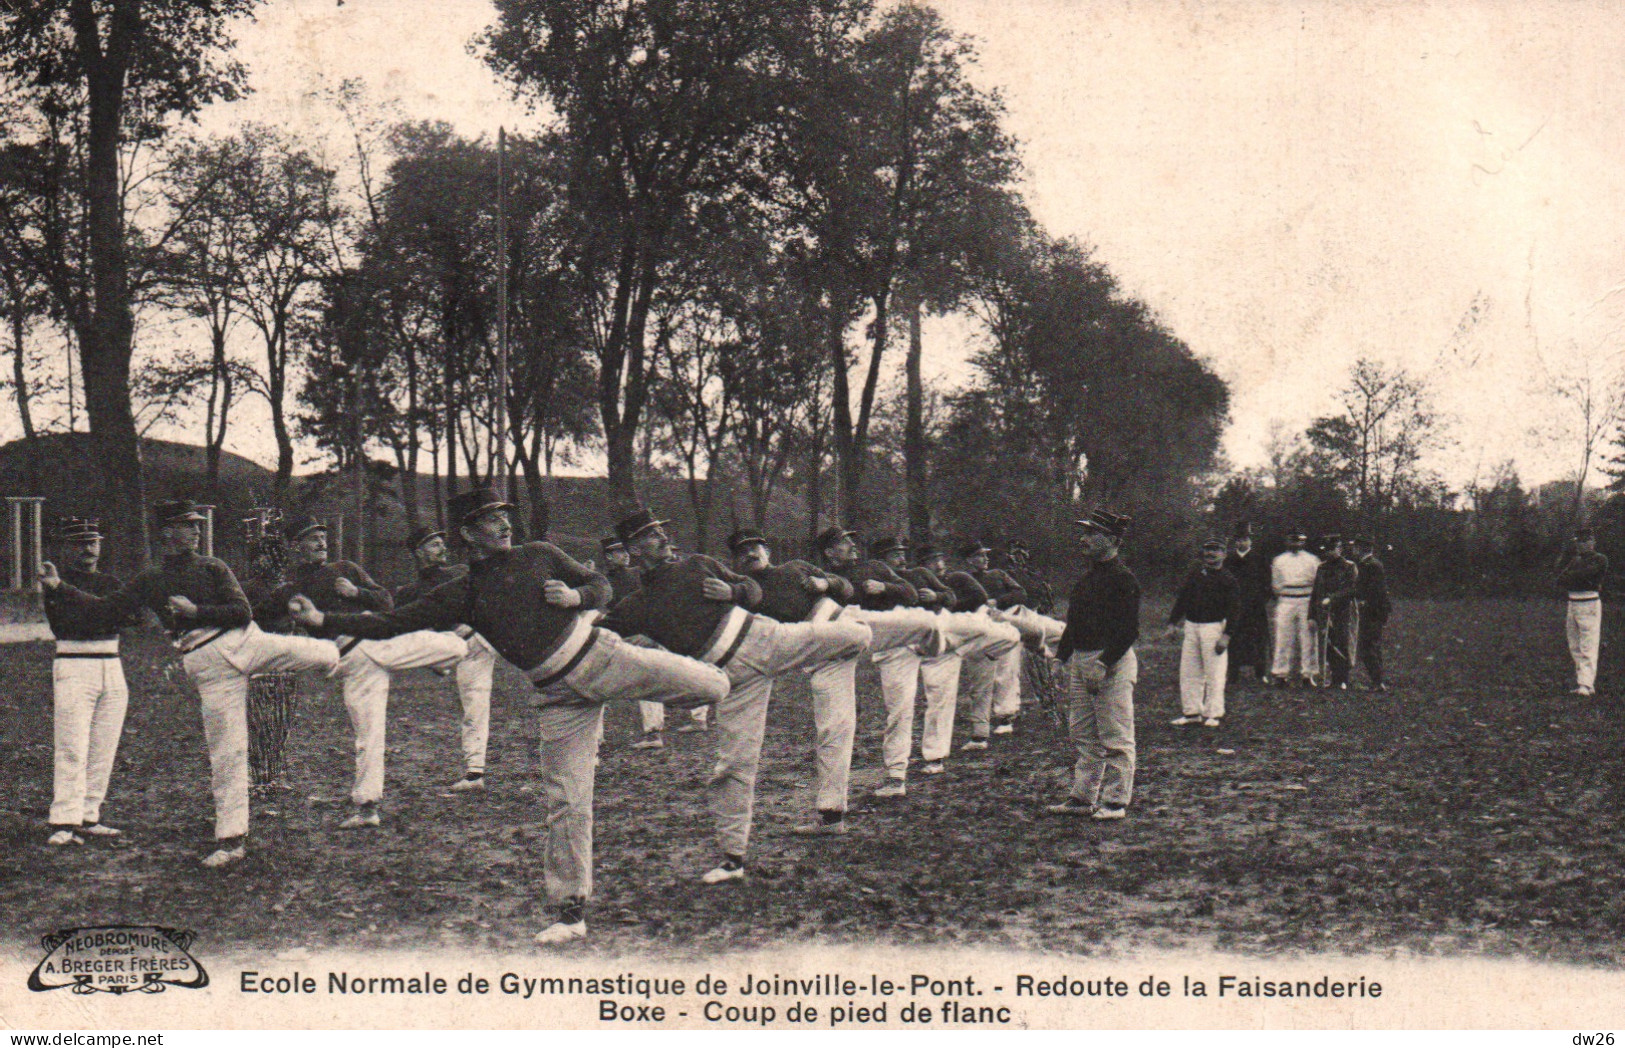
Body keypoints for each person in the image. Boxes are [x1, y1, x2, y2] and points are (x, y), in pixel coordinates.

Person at [290, 488, 731, 945]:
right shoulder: (462, 592)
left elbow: (601, 587)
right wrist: (324, 621)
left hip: (602, 658)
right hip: (557, 697)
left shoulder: (539, 553)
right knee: (567, 803)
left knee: (716, 686)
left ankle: (727, 660)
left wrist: (576, 597)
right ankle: (569, 912)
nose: (504, 524)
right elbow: (391, 623)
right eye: (491, 518)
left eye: (505, 515)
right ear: (467, 533)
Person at [42, 498, 340, 867]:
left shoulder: (213, 566)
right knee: (227, 752)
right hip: (206, 664)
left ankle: (351, 655)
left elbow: (241, 612)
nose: (197, 531)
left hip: (248, 641)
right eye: (189, 525)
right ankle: (231, 840)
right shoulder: (150, 579)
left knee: (324, 653)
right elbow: (103, 609)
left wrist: (196, 612)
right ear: (167, 532)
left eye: (198, 524)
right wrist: (59, 587)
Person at [599, 510, 870, 883]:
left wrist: (733, 591)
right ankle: (732, 858)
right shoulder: (636, 604)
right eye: (650, 535)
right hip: (734, 678)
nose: (662, 538)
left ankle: (847, 661)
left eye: (661, 530)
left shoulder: (697, 564)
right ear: (632, 549)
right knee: (733, 765)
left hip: (767, 638)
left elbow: (753, 589)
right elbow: (599, 634)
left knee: (858, 635)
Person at [270, 515, 467, 828]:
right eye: (312, 538)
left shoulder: (345, 569)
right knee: (367, 736)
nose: (322, 543)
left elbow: (385, 601)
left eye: (323, 535)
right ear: (295, 547)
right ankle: (367, 809)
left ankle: (437, 658)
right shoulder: (290, 589)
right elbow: (263, 619)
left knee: (457, 646)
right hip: (350, 661)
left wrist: (356, 594)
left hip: (376, 640)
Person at [728, 527, 863, 835]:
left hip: (842, 619)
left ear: (768, 551)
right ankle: (832, 817)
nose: (750, 554)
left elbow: (846, 588)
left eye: (756, 547)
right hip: (819, 653)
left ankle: (949, 636)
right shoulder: (744, 594)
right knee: (834, 726)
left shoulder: (796, 567)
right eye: (742, 551)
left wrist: (825, 581)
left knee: (915, 628)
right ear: (735, 561)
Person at [40, 517, 137, 846]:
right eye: (80, 543)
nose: (88, 549)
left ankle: (88, 815)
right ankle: (63, 820)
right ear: (66, 548)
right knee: (71, 745)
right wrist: (101, 611)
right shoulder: (55, 582)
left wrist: (97, 609)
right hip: (74, 663)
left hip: (112, 663)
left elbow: (125, 616)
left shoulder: (108, 581)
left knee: (103, 746)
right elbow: (78, 620)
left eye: (93, 541)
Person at [1046, 510, 1141, 820]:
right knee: (1083, 732)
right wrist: (1061, 657)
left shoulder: (1123, 579)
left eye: (1091, 533)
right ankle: (1083, 796)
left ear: (1112, 540)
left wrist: (1103, 662)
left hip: (1110, 660)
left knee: (1115, 732)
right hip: (1082, 660)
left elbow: (1129, 630)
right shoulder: (1086, 579)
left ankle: (1115, 801)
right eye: (1083, 532)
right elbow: (1074, 624)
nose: (1083, 539)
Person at [396, 525, 499, 791]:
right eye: (433, 544)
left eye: (442, 542)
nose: (442, 548)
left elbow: (491, 597)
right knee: (474, 705)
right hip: (465, 650)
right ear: (418, 553)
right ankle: (475, 774)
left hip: (494, 635)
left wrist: (474, 623)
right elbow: (405, 627)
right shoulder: (410, 592)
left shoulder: (461, 572)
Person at [911, 545, 1021, 775]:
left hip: (971, 632)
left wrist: (942, 601)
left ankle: (982, 733)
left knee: (984, 681)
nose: (938, 565)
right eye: (932, 562)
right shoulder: (918, 583)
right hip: (944, 641)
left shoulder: (958, 578)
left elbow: (979, 597)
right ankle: (936, 756)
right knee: (941, 695)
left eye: (940, 559)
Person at [1167, 538, 1238, 727]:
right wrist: (1173, 623)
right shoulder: (1195, 575)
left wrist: (1226, 635)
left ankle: (1214, 713)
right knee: (1189, 671)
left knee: (1214, 672)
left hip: (1214, 628)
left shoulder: (1228, 579)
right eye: (1207, 550)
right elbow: (1183, 599)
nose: (1210, 554)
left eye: (1215, 550)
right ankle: (1192, 713)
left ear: (1224, 554)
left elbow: (1234, 610)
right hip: (1192, 626)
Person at [960, 542, 1027, 741]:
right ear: (968, 560)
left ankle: (1006, 717)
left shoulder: (997, 574)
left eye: (985, 555)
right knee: (980, 674)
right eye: (980, 556)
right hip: (977, 628)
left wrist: (998, 602)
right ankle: (981, 722)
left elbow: (1020, 593)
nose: (985, 559)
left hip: (1002, 623)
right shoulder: (963, 580)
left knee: (1006, 669)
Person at [1559, 526, 1608, 697]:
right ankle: (1583, 681)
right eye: (1579, 541)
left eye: (1585, 541)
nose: (1582, 545)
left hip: (1589, 602)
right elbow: (1560, 578)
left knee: (1588, 644)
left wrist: (1574, 576)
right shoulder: (1575, 560)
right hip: (1573, 602)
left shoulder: (1600, 559)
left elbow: (1585, 576)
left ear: (1592, 542)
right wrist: (1574, 575)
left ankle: (1586, 684)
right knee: (1575, 644)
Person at [1270, 529, 1321, 687]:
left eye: (1298, 541)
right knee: (1283, 637)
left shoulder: (1313, 560)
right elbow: (1276, 583)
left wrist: (1312, 600)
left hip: (1306, 600)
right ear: (1287, 542)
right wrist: (1284, 594)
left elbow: (1317, 582)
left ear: (1303, 542)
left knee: (1308, 638)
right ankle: (1280, 673)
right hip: (1286, 601)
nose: (1295, 544)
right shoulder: (1279, 560)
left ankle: (1308, 674)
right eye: (1292, 541)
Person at [1310, 534, 1359, 690]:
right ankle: (1332, 677)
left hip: (1343, 611)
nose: (1330, 553)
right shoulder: (1322, 567)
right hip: (1324, 611)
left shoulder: (1349, 567)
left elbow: (1351, 589)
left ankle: (1343, 678)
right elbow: (1316, 591)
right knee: (1328, 643)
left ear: (1340, 549)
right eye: (1327, 550)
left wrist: (1332, 599)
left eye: (1333, 549)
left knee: (1342, 643)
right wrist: (1311, 614)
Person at [1224, 522, 1271, 684]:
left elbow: (1267, 583)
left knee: (1258, 639)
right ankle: (1233, 673)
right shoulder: (1229, 560)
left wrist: (1260, 600)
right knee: (1234, 638)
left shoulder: (1259, 559)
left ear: (1250, 541)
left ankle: (1260, 673)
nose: (1241, 543)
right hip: (1234, 606)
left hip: (1255, 607)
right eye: (1238, 540)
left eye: (1244, 539)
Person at [1350, 536, 1391, 692]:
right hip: (1374, 610)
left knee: (1367, 646)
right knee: (1373, 645)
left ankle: (1377, 682)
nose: (1353, 550)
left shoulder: (1370, 565)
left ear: (1361, 549)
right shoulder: (1369, 564)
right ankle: (1378, 680)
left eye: (1355, 547)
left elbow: (1372, 591)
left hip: (1373, 612)